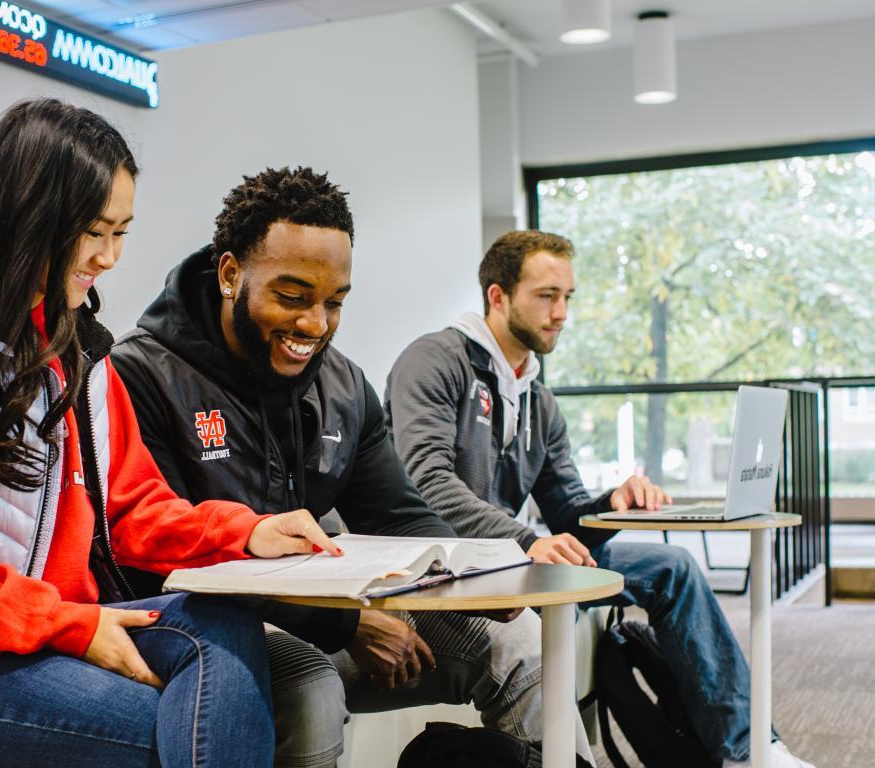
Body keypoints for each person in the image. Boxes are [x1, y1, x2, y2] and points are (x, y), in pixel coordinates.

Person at [0, 99, 340, 768]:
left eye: (122, 233)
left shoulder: (73, 345)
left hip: (35, 631)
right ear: (32, 216)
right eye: (95, 231)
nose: (108, 257)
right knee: (180, 733)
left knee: (224, 622)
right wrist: (68, 624)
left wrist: (244, 531)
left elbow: (130, 508)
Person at [110, 169, 594, 768]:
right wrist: (346, 626)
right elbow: (161, 557)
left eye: (333, 302)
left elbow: (399, 515)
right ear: (232, 273)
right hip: (209, 629)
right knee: (310, 689)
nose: (314, 324)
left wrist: (479, 579)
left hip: (333, 615)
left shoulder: (342, 384)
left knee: (523, 641)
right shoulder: (140, 375)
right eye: (292, 297)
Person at [385, 230, 816, 768]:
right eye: (547, 295)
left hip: (517, 559)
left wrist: (618, 500)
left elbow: (569, 512)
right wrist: (524, 542)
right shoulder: (434, 361)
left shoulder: (537, 399)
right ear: (497, 296)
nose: (561, 312)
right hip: (449, 565)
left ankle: (748, 750)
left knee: (672, 567)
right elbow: (424, 481)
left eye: (568, 297)